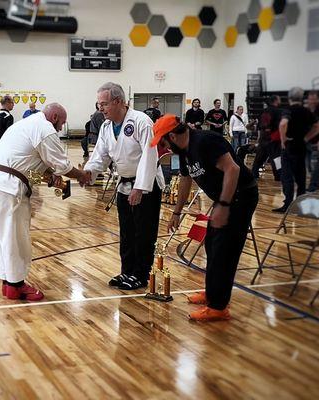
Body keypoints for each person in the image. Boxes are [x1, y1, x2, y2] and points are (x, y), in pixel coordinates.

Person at [0, 103, 90, 301]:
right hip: (7, 188)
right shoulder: (45, 128)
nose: (62, 128)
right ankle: (15, 285)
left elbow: (26, 168)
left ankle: (7, 281)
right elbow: (62, 165)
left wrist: (51, 180)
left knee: (4, 237)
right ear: (54, 117)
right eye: (62, 122)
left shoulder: (27, 124)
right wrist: (81, 175)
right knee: (15, 238)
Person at [152, 114, 258, 321]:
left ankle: (218, 307)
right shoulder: (184, 151)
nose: (163, 147)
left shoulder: (206, 141)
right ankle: (212, 293)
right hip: (226, 200)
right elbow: (185, 180)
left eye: (163, 142)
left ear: (172, 136)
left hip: (240, 197)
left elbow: (232, 169)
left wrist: (224, 205)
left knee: (224, 250)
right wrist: (176, 212)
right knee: (212, 244)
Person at [84, 82, 164, 290]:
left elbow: (150, 155)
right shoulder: (106, 126)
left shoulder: (141, 121)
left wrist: (140, 187)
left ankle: (141, 274)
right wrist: (88, 173)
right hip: (124, 184)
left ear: (118, 101)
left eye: (104, 104)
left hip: (146, 185)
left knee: (144, 232)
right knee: (127, 232)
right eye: (99, 104)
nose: (100, 108)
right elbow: (99, 155)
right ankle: (127, 270)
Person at [273, 87, 319, 213]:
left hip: (289, 146)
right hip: (301, 146)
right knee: (301, 176)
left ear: (289, 97)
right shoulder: (306, 111)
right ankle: (300, 205)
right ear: (301, 98)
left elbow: (283, 124)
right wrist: (306, 137)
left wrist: (283, 139)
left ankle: (288, 205)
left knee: (287, 176)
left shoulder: (288, 110)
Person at [251, 95, 283, 180]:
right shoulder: (278, 111)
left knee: (259, 157)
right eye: (279, 99)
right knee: (276, 158)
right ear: (275, 101)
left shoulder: (263, 111)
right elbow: (280, 125)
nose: (280, 101)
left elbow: (259, 126)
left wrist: (259, 138)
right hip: (273, 138)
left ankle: (254, 173)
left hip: (263, 137)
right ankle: (278, 175)